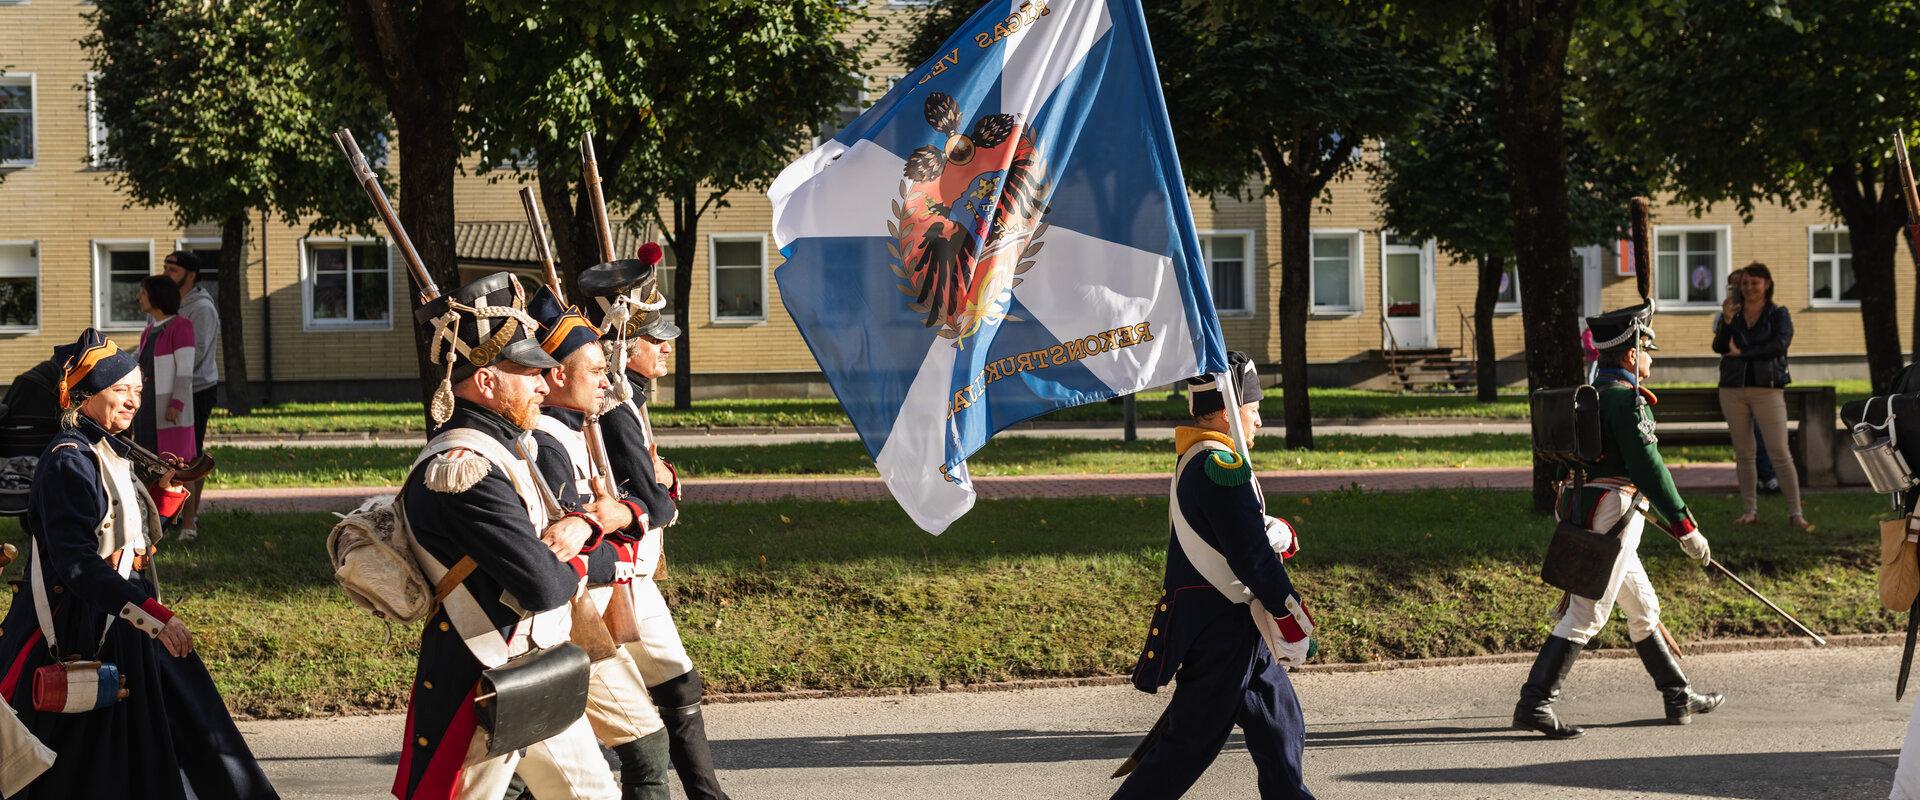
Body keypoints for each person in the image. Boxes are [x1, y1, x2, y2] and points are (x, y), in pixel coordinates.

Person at [0, 329, 277, 798]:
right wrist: (156, 617)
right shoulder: (71, 460)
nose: (133, 402)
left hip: (120, 617)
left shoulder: (107, 450)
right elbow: (78, 566)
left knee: (167, 739)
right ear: (85, 396)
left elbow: (127, 545)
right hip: (78, 626)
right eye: (121, 391)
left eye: (139, 392)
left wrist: (163, 504)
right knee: (70, 763)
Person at [392, 273, 618, 800]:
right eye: (531, 372)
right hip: (478, 676)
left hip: (530, 668)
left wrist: (581, 534)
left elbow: (576, 554)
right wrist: (582, 555)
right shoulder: (463, 468)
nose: (546, 383)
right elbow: (544, 584)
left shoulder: (509, 450)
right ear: (488, 381)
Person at [1514, 303, 1724, 740]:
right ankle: (1535, 702)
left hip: (1584, 504)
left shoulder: (1587, 397)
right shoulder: (1627, 402)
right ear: (1630, 355)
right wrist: (1687, 527)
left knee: (1644, 609)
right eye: (1647, 349)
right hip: (1614, 509)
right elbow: (1650, 470)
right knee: (1587, 612)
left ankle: (1676, 692)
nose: (1651, 357)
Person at [1112, 351, 1316, 800]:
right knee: (1184, 751)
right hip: (1222, 627)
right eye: (1254, 410)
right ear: (1227, 411)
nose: (1259, 422)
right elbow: (1250, 558)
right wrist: (1291, 618)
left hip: (1234, 623)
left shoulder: (1210, 460)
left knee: (1281, 729)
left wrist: (1275, 530)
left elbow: (1238, 533)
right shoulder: (1217, 466)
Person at [581, 245, 730, 800]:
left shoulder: (629, 399)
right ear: (623, 343)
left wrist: (658, 478)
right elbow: (658, 505)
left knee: (674, 688)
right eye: (654, 337)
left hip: (630, 572)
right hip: (615, 573)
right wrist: (660, 486)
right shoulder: (617, 405)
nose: (667, 345)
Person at [526, 285, 675, 799]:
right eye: (594, 371)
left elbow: (632, 510)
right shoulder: (548, 440)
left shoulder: (573, 429)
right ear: (556, 375)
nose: (607, 381)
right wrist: (621, 525)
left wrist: (623, 515)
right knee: (647, 750)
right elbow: (578, 550)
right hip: (568, 618)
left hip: (577, 612)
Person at [1712, 262, 1809, 531]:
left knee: (1779, 451)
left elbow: (1779, 345)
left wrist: (1743, 352)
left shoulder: (1778, 314)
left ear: (1767, 284)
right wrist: (1728, 321)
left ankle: (1796, 513)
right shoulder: (1733, 313)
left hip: (1768, 388)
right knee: (1744, 453)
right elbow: (1719, 346)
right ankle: (1750, 510)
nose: (1749, 288)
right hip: (1733, 388)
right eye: (1745, 283)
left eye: (1755, 282)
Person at [164, 251, 219, 541]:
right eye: (165, 268)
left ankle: (190, 521)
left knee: (192, 455)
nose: (166, 274)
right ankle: (171, 513)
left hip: (197, 389)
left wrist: (164, 367)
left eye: (172, 270)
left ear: (191, 275)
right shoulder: (171, 304)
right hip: (168, 388)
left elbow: (195, 354)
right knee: (171, 455)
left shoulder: (202, 308)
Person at [132, 276, 197, 469]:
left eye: (143, 293)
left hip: (169, 407)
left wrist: (176, 404)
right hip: (147, 405)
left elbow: (185, 371)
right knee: (148, 459)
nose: (139, 297)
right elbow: (137, 361)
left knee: (178, 464)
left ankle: (184, 501)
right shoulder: (149, 330)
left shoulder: (181, 326)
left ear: (156, 296)